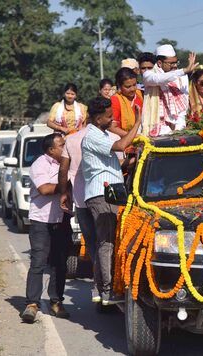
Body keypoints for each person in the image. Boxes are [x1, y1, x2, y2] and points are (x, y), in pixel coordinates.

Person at [81, 97, 141, 305]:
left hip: (113, 191)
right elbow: (123, 144)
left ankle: (102, 288)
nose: (112, 118)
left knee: (111, 241)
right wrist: (138, 123)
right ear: (98, 119)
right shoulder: (92, 136)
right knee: (107, 242)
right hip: (102, 194)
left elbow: (113, 161)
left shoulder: (102, 133)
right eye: (109, 116)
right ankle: (107, 290)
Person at [21, 133, 72, 322]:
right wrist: (66, 183)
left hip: (61, 219)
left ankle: (56, 301)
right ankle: (32, 304)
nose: (65, 148)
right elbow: (44, 189)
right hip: (41, 221)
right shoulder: (39, 165)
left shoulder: (66, 164)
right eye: (62, 145)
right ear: (51, 150)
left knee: (60, 263)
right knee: (38, 262)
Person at [58, 123, 101, 303]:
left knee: (93, 245)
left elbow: (63, 170)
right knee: (106, 244)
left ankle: (99, 285)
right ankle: (104, 285)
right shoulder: (111, 138)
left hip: (82, 199)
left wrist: (64, 193)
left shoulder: (71, 139)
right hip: (106, 200)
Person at [141, 44, 198, 136]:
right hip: (154, 125)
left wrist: (179, 129)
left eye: (176, 62)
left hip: (175, 128)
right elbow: (158, 79)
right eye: (171, 63)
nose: (175, 66)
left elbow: (183, 106)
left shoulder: (181, 77)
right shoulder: (148, 75)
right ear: (159, 63)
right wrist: (184, 71)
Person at [109, 67, 143, 137]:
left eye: (134, 85)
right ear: (119, 86)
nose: (133, 89)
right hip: (122, 140)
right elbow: (112, 127)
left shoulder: (140, 95)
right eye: (128, 87)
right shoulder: (115, 100)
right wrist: (134, 136)